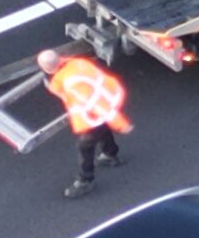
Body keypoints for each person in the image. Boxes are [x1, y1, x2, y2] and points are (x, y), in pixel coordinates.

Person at [38, 48, 131, 198]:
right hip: (109, 95)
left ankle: (85, 180)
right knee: (102, 128)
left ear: (47, 69)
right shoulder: (77, 63)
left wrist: (120, 123)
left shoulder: (70, 84)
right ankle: (110, 154)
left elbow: (96, 105)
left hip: (96, 110)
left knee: (85, 145)